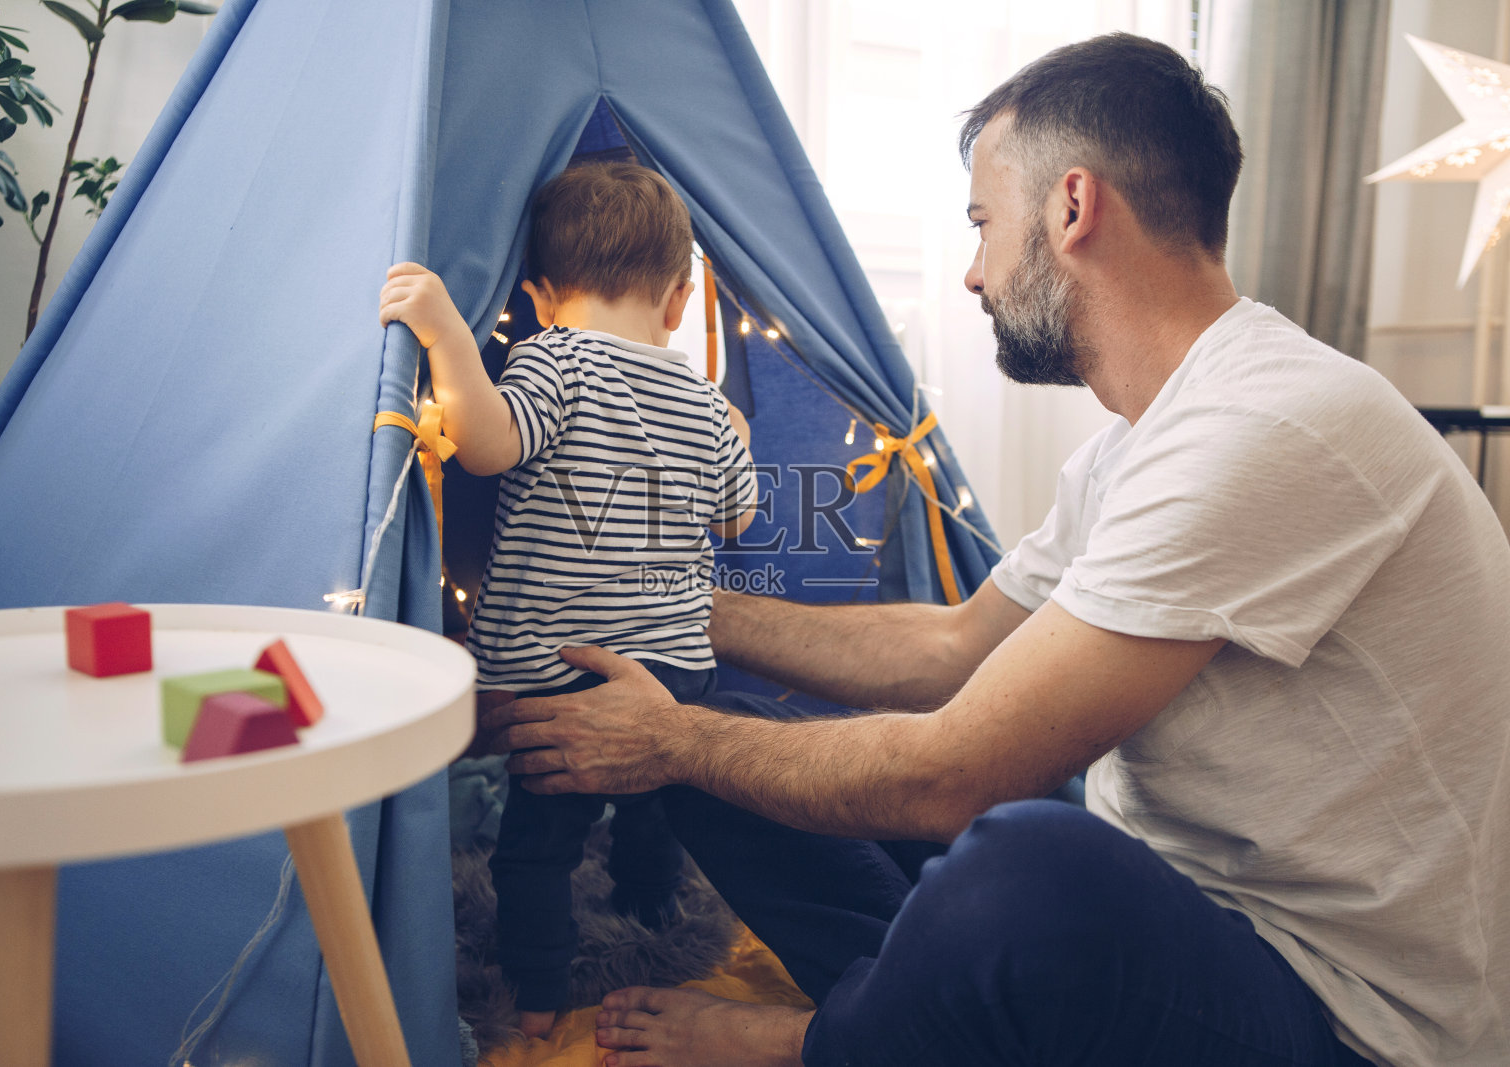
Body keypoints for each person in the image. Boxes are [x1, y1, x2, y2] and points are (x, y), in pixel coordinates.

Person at [480, 33, 1510, 1067]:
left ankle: (817, 1042)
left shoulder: (1264, 426)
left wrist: (666, 739)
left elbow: (954, 773)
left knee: (1017, 856)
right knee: (740, 744)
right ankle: (910, 1020)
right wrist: (672, 608)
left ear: (1071, 207)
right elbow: (950, 646)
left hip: (1340, 1017)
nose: (971, 274)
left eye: (982, 225)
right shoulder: (1140, 441)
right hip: (1173, 903)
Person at [378, 160, 757, 1039]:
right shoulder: (703, 400)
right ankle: (650, 904)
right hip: (674, 667)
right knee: (653, 797)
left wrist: (445, 335)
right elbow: (736, 517)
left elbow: (485, 443)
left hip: (561, 670)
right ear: (675, 302)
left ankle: (540, 992)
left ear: (544, 298)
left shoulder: (558, 359)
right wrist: (734, 434)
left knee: (538, 842)